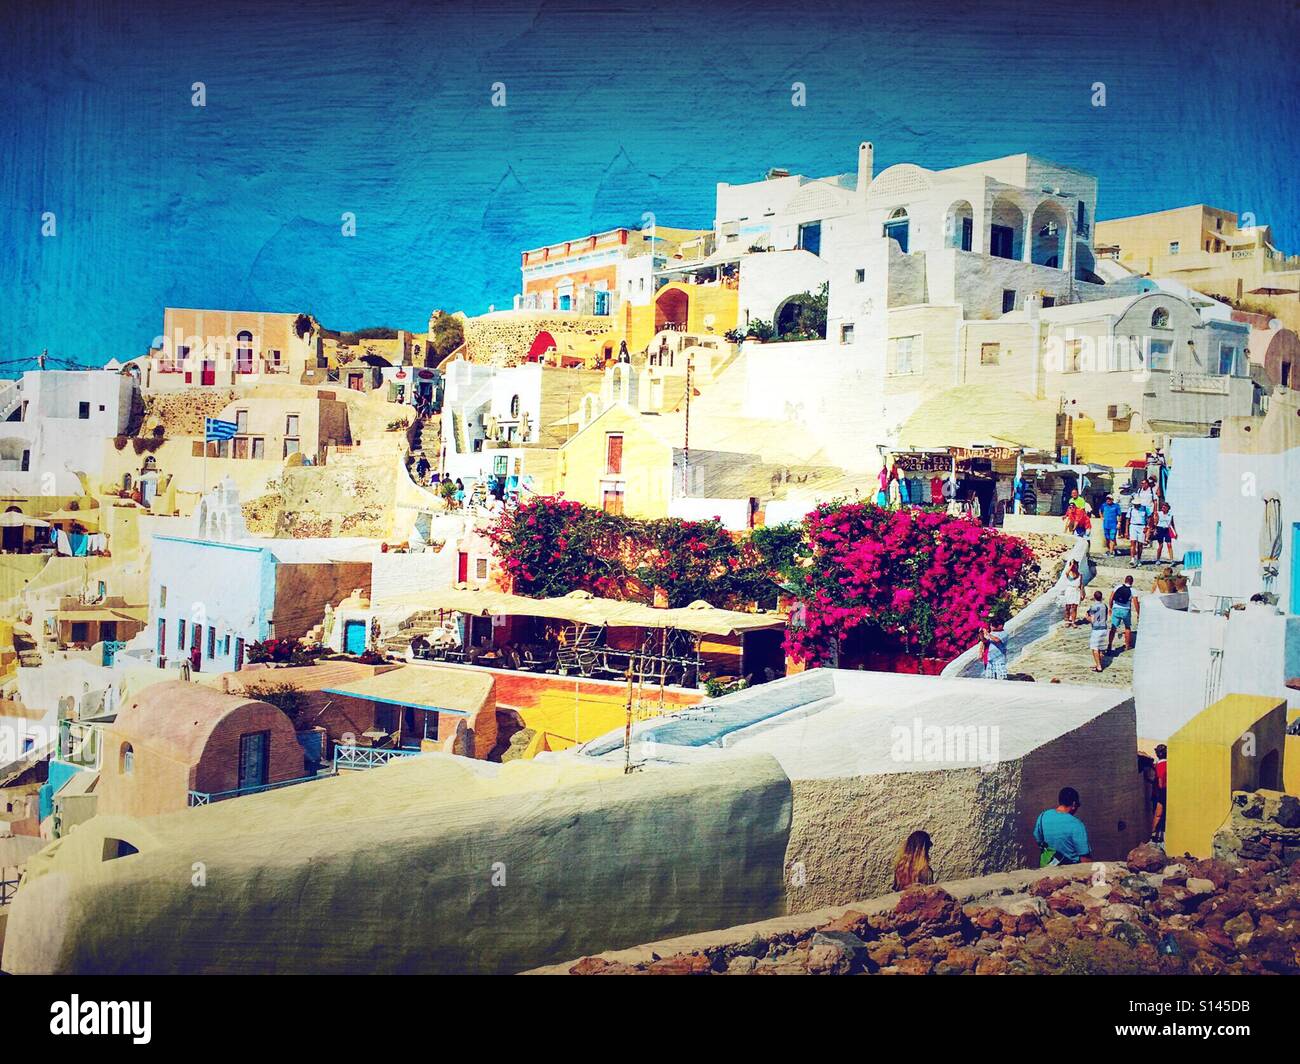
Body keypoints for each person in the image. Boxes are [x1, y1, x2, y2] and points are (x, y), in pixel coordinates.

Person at [1034, 787, 1093, 866]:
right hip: (1069, 872)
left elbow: (1038, 839)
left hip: (1047, 867)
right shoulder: (1077, 825)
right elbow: (1085, 859)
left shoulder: (1042, 816)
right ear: (1074, 804)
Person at [1106, 574, 1139, 654]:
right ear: (1132, 582)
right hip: (1126, 610)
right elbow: (1136, 603)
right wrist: (1138, 613)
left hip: (1116, 609)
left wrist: (1110, 608)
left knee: (1113, 628)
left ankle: (1109, 645)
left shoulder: (1117, 587)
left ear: (1125, 580)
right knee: (1127, 628)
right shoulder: (1133, 590)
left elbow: (1111, 598)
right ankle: (1127, 646)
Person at [1086, 589, 1108, 672]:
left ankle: (1099, 667)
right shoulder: (1105, 606)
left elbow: (1092, 619)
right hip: (1104, 628)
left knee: (1095, 649)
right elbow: (1105, 617)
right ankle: (1099, 663)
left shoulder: (1093, 607)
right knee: (1101, 648)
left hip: (1096, 630)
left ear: (1094, 597)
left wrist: (1087, 618)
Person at [1150, 744, 1168, 844]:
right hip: (1169, 791)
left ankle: (1153, 835)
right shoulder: (1170, 764)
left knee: (1158, 814)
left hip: (1162, 792)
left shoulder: (1160, 765)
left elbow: (1160, 782)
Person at [1127, 496, 1149, 567]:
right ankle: (1132, 558)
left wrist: (1147, 527)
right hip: (1133, 526)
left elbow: (1148, 518)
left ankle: (1139, 559)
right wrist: (1126, 531)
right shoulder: (1131, 509)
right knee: (1133, 542)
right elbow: (1127, 519)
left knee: (1140, 544)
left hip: (1142, 526)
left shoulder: (1144, 509)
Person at [1061, 559, 1083, 626]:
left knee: (1074, 607)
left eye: (1075, 565)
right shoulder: (1068, 574)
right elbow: (1067, 572)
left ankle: (1073, 622)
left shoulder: (1080, 575)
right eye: (1072, 565)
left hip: (1076, 591)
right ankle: (1067, 621)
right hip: (1069, 590)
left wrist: (1082, 593)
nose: (1073, 566)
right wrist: (1072, 564)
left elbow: (1081, 584)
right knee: (1068, 606)